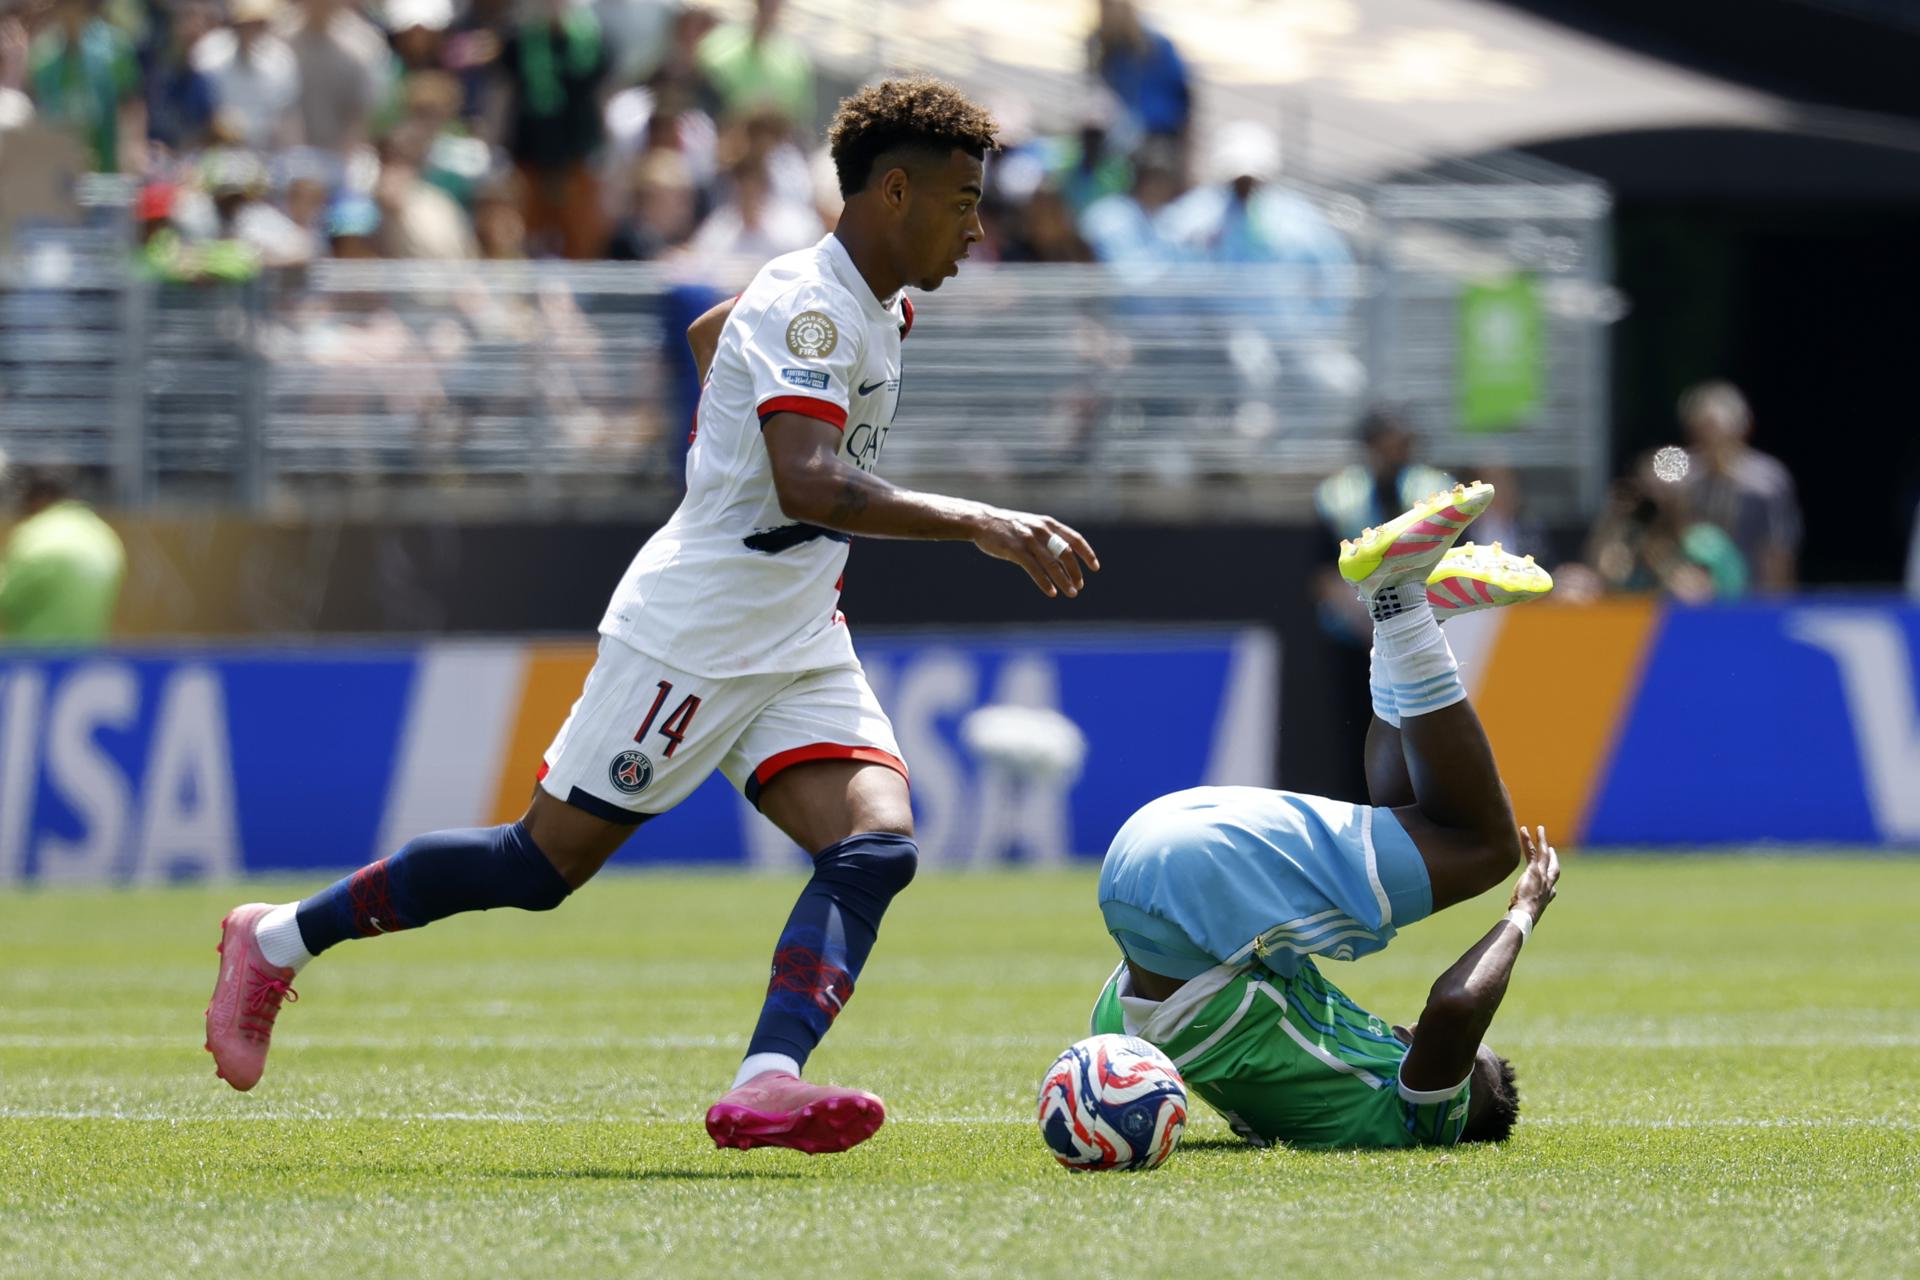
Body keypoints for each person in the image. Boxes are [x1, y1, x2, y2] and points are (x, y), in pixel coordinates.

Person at [204, 77, 1100, 1158]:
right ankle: (276, 936)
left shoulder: (871, 302)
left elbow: (714, 333)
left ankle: (766, 1078)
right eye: (961, 199)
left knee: (874, 842)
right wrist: (981, 522)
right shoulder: (809, 307)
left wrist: (724, 419)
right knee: (537, 868)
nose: (976, 224)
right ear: (894, 191)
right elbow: (811, 481)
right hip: (697, 628)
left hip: (798, 625)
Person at [1090, 484, 1559, 1148]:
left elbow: (1456, 1009)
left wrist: (1524, 912)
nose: (1420, 1038)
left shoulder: (1417, 1120)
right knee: (1411, 823)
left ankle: (1400, 607)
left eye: (1460, 1065)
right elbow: (1115, 1051)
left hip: (1197, 881)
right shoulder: (1307, 1090)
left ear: (1456, 1102)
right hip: (1143, 884)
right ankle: (1411, 620)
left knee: (1487, 849)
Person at [1677, 380, 1801, 592]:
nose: (1710, 437)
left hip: (1751, 598)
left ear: (1742, 428)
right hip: (1691, 600)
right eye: (1702, 428)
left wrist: (1777, 603)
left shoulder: (1768, 479)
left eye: (1715, 428)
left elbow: (1779, 549)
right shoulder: (1681, 475)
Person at [0, 465, 127, 646]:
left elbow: (5, 598)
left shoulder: (36, 534)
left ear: (38, 499)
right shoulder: (103, 535)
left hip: (34, 659)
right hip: (85, 660)